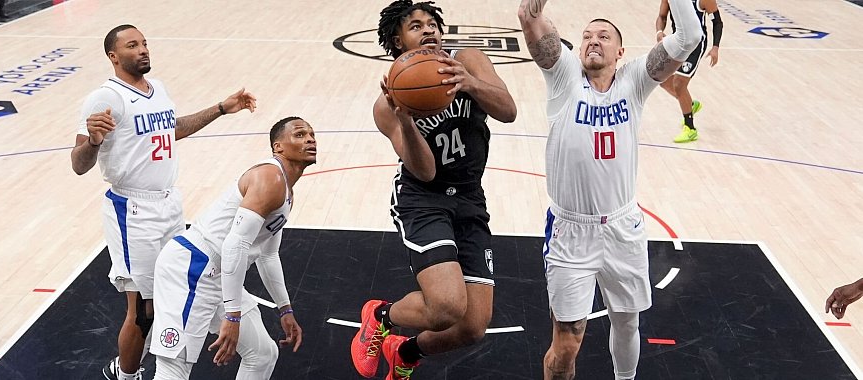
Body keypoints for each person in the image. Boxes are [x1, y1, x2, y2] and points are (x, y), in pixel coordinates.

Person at [517, 0, 702, 378]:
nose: (592, 41)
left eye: (603, 36)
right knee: (567, 342)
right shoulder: (564, 76)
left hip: (623, 227)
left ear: (621, 52)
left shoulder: (636, 79)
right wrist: (530, 8)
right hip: (571, 230)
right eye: (585, 36)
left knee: (627, 321)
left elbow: (691, 35)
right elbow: (530, 19)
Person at [69, 24, 257, 380]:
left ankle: (140, 365)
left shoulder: (158, 89)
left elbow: (172, 129)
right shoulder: (105, 98)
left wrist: (220, 108)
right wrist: (92, 142)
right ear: (113, 56)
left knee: (170, 296)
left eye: (144, 43)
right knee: (143, 310)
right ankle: (126, 375)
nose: (142, 50)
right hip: (132, 210)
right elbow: (78, 165)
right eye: (132, 45)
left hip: (169, 204)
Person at [350, 1, 517, 379]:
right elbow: (424, 171)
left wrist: (469, 82)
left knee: (472, 326)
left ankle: (405, 352)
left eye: (431, 23)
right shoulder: (386, 105)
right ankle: (380, 316)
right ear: (398, 40)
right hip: (423, 199)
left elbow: (508, 110)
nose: (427, 30)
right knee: (445, 307)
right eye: (415, 26)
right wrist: (406, 120)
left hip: (470, 196)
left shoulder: (469, 60)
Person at [148, 116, 314, 379]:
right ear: (278, 147)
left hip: (218, 274)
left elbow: (268, 254)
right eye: (300, 134)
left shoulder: (287, 191)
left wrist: (285, 308)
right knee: (174, 368)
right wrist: (233, 317)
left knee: (263, 354)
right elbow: (234, 246)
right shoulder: (269, 178)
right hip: (192, 267)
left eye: (311, 134)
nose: (310, 139)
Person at [655, 0, 723, 143]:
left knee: (679, 83)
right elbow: (662, 16)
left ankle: (690, 128)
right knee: (661, 78)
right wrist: (659, 32)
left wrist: (715, 47)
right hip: (677, 41)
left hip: (696, 44)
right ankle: (690, 105)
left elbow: (717, 22)